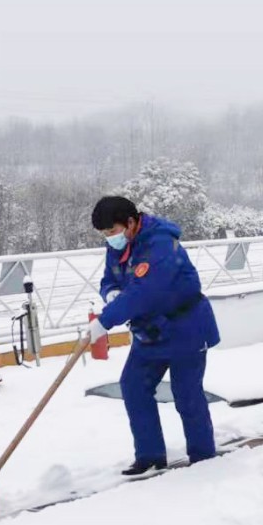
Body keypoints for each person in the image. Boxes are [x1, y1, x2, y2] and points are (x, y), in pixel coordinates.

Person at [87, 196, 220, 476]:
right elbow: (110, 278)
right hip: (150, 332)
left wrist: (106, 321)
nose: (109, 239)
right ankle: (150, 456)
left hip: (186, 327)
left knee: (187, 395)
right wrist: (109, 292)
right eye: (105, 234)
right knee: (133, 386)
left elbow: (144, 291)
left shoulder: (159, 243)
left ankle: (203, 458)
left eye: (112, 231)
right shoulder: (119, 247)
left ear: (131, 222)